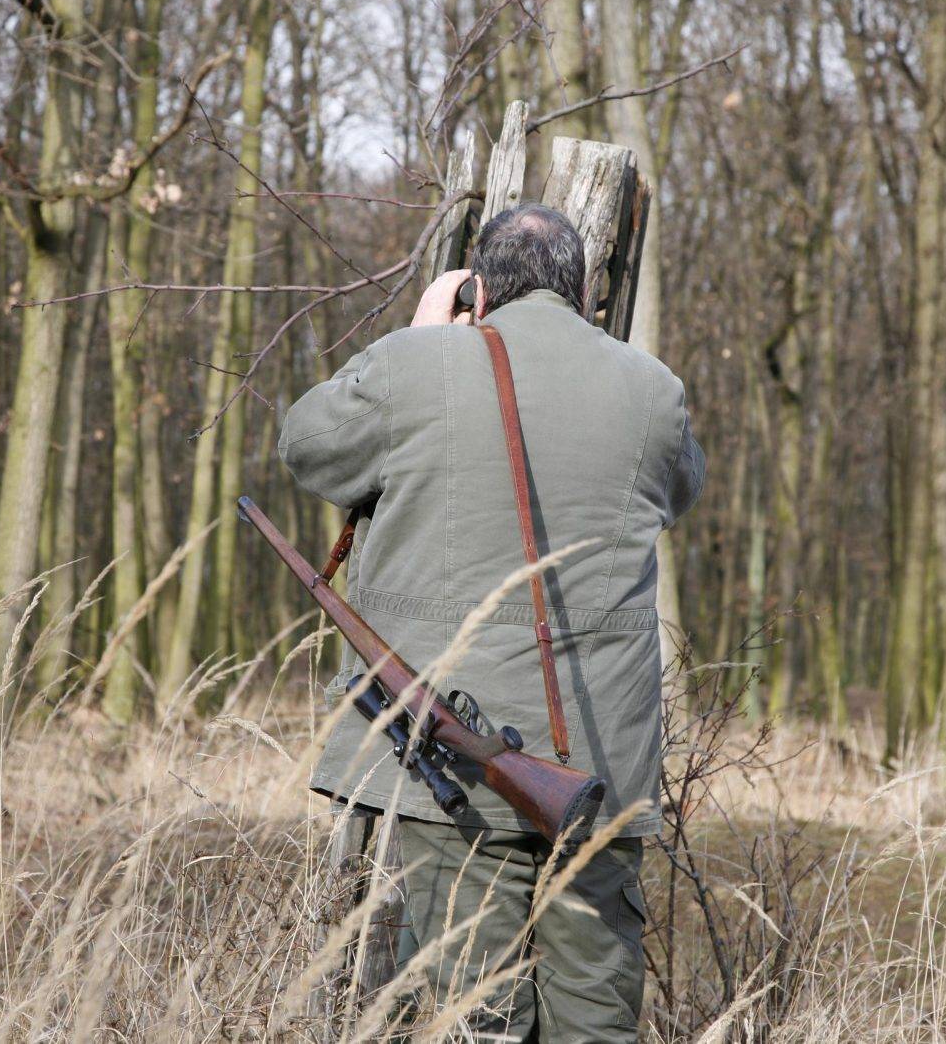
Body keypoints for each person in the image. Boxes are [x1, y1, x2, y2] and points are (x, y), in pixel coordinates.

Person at [278, 203, 704, 1041]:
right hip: (600, 775)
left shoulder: (417, 364)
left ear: (479, 285)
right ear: (581, 290)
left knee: (479, 1016)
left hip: (458, 766)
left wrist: (423, 333)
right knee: (595, 1016)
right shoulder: (655, 391)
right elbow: (675, 490)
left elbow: (309, 445)